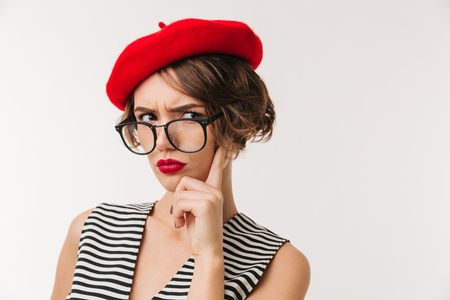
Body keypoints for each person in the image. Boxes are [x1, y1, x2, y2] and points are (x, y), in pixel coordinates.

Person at [51, 18, 310, 300]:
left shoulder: (278, 265)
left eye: (188, 115)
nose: (162, 141)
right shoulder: (92, 230)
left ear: (234, 121)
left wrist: (209, 257)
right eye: (148, 117)